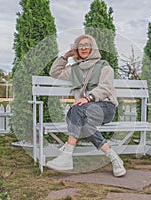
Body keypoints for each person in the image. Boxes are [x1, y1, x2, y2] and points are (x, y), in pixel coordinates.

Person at [46, 34, 126, 177]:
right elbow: (54, 72)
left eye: (86, 45)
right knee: (84, 124)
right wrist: (65, 56)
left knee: (75, 110)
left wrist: (88, 98)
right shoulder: (74, 69)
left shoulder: (104, 66)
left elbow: (106, 87)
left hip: (105, 107)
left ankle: (67, 155)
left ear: (93, 48)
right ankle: (114, 158)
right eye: (80, 46)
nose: (83, 48)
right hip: (83, 112)